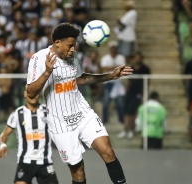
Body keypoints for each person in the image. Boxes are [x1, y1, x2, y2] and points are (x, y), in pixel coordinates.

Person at [26, 23, 132, 184]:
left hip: (82, 114)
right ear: (57, 43)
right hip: (60, 123)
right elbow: (31, 93)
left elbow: (80, 78)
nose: (73, 50)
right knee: (78, 172)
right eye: (69, 46)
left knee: (108, 152)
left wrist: (111, 75)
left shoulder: (72, 56)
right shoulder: (38, 58)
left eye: (74, 46)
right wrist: (47, 72)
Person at [0, 88, 59, 184]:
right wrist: (3, 145)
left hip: (45, 162)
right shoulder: (17, 114)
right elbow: (4, 134)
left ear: (39, 94)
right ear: (24, 94)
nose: (33, 95)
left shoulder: (48, 111)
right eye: (30, 91)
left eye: (35, 92)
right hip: (25, 162)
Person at [118, 51, 151, 139]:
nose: (137, 59)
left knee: (132, 111)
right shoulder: (131, 68)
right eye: (136, 57)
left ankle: (131, 130)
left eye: (139, 57)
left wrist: (144, 93)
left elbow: (147, 82)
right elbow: (127, 80)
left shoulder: (145, 69)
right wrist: (126, 90)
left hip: (138, 93)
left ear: (141, 58)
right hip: (129, 92)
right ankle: (125, 129)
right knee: (126, 111)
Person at [100, 41, 126, 125]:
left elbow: (122, 69)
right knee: (106, 102)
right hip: (108, 83)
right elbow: (103, 68)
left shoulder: (121, 57)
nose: (113, 49)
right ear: (109, 48)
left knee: (120, 103)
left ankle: (121, 120)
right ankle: (105, 120)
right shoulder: (105, 58)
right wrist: (115, 67)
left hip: (118, 83)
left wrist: (111, 68)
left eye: (115, 47)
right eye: (112, 47)